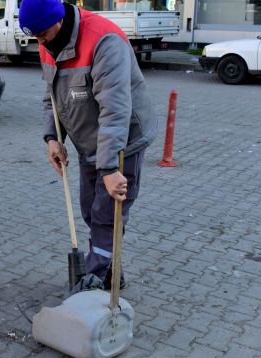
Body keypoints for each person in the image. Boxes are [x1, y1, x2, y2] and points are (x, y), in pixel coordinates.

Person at [19, 0, 157, 289]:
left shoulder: (104, 41)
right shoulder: (48, 42)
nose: (39, 43)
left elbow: (115, 110)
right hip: (88, 140)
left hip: (122, 140)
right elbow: (52, 97)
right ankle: (110, 271)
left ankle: (95, 280)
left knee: (106, 214)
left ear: (58, 21)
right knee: (89, 209)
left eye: (42, 35)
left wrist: (109, 170)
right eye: (36, 38)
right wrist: (53, 137)